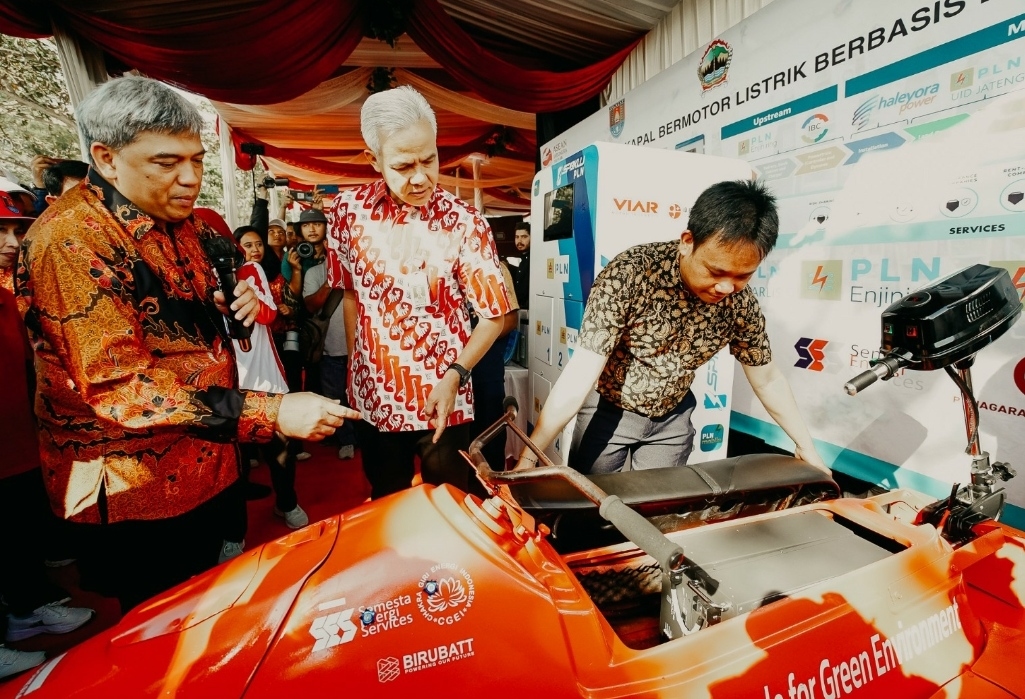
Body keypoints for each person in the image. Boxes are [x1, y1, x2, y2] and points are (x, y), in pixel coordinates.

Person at [15, 76, 358, 612]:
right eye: (167, 162)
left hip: (209, 463)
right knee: (156, 628)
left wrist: (236, 299)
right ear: (106, 159)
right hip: (137, 487)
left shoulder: (190, 227)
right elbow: (121, 386)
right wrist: (271, 412)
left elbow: (211, 309)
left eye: (197, 160)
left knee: (203, 609)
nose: (190, 179)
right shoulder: (70, 241)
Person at [516, 179, 826, 475]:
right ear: (688, 242)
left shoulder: (740, 304)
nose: (726, 287)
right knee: (589, 509)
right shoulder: (630, 274)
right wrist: (529, 456)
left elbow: (768, 379)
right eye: (716, 271)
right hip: (609, 411)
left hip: (673, 420)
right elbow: (581, 372)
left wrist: (806, 447)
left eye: (742, 276)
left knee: (654, 513)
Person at [325, 86, 513, 499]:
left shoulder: (465, 221)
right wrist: (358, 369)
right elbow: (351, 296)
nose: (420, 177)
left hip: (444, 397)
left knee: (448, 506)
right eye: (403, 165)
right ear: (373, 160)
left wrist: (456, 374)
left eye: (429, 159)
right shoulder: (346, 213)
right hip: (374, 395)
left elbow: (494, 315)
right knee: (387, 503)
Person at [0, 190, 94, 680]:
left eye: (17, 231)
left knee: (17, 528)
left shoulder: (11, 294)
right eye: (0, 233)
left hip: (18, 441)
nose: (12, 242)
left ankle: (25, 609)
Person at [510, 220, 530, 308]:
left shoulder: (534, 259)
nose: (519, 241)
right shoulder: (523, 258)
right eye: (517, 237)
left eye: (524, 237)